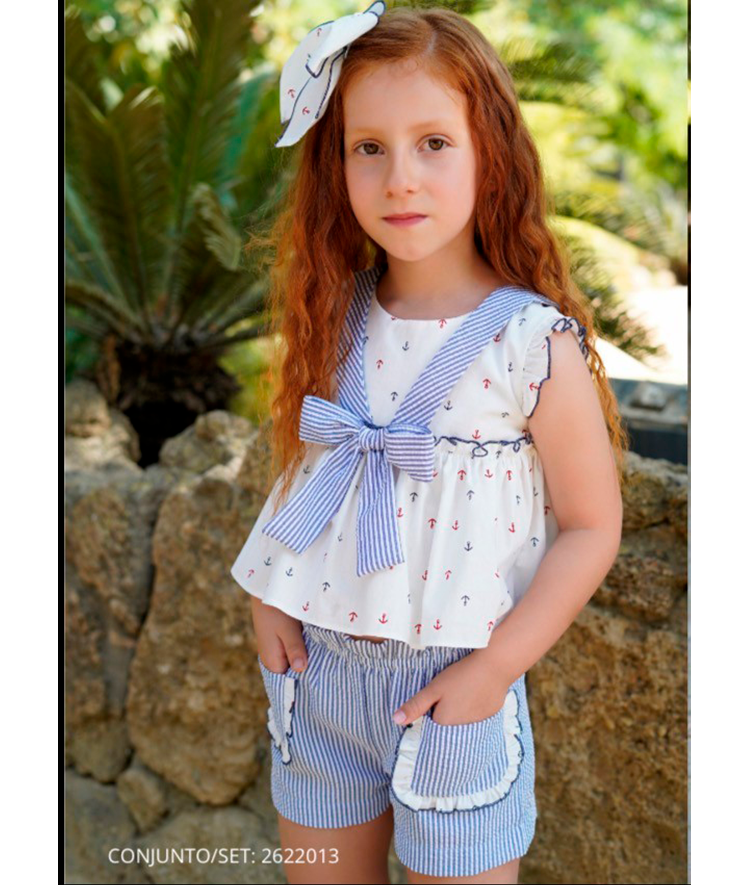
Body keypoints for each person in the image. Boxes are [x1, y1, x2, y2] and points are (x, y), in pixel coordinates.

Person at [230, 4, 626, 883]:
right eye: (368, 147)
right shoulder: (335, 316)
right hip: (320, 676)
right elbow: (317, 468)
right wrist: (271, 591)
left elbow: (593, 525)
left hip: (458, 687)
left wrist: (495, 670)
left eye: (434, 143)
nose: (399, 178)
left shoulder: (529, 343)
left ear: (492, 151)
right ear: (335, 165)